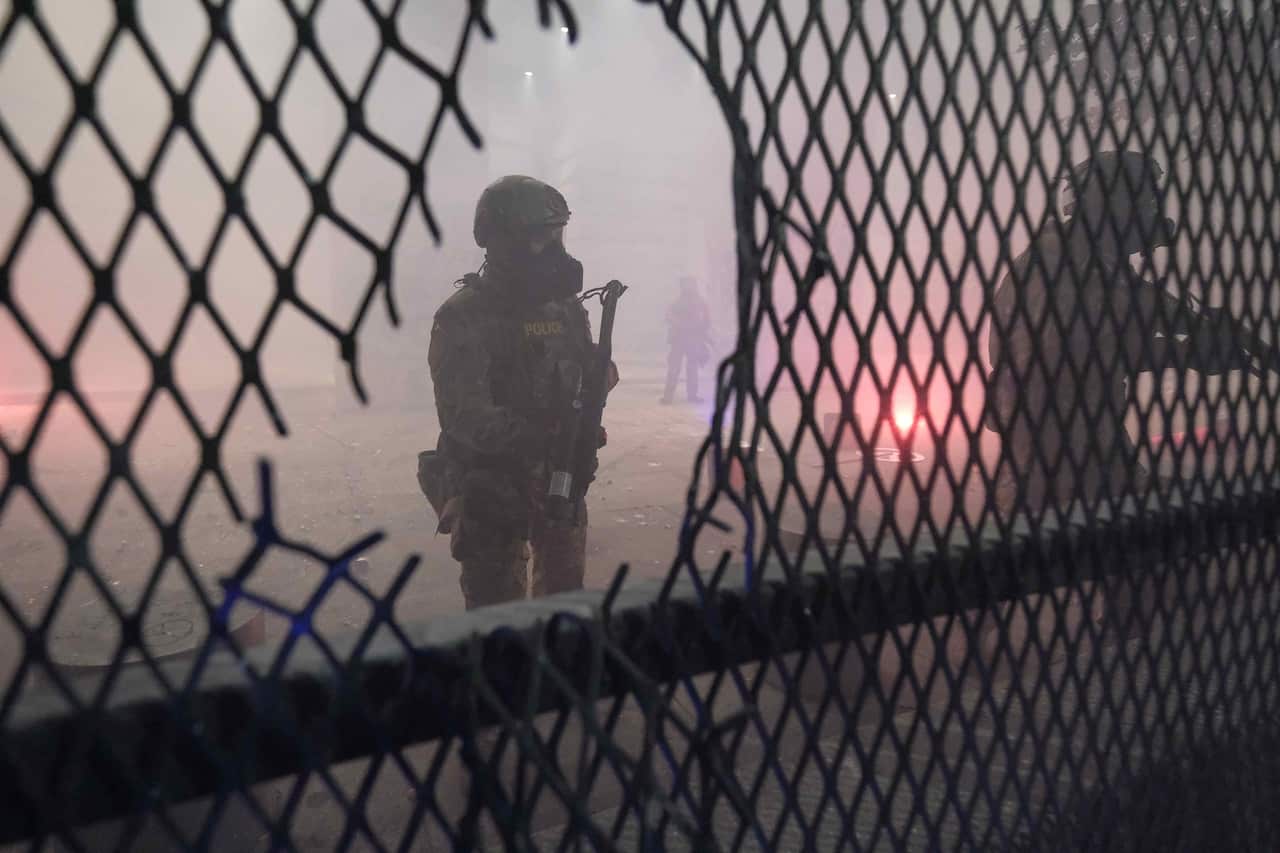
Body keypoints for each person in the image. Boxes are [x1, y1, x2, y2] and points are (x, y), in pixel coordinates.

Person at [983, 149, 1263, 638]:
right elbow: (1092, 344)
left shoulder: (1094, 261)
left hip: (1086, 443)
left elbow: (1141, 304)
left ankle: (1113, 653)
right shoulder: (1058, 262)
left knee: (1151, 542)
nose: (1152, 216)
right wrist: (1188, 352)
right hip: (1054, 449)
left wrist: (1209, 327)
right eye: (1143, 204)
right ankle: (1111, 659)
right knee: (1149, 538)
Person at [422, 175, 617, 611]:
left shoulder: (564, 306)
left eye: (555, 236)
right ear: (498, 240)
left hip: (561, 480)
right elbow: (464, 417)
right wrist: (544, 432)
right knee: (499, 624)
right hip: (492, 493)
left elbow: (585, 370)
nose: (552, 249)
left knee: (563, 609)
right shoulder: (464, 315)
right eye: (537, 238)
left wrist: (595, 387)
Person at [661, 276, 712, 404]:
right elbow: (669, 316)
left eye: (690, 284)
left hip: (692, 340)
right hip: (680, 340)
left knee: (691, 369)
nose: (688, 287)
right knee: (675, 368)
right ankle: (669, 396)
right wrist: (682, 325)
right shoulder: (679, 302)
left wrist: (700, 331)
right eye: (686, 284)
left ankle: (690, 395)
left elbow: (705, 320)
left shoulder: (698, 302)